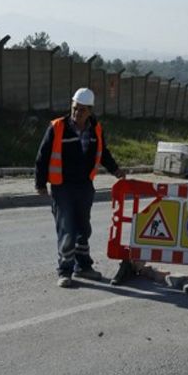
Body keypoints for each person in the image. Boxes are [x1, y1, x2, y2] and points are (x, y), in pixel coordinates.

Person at [35, 88, 125, 288]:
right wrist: (40, 183)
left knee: (83, 228)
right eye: (75, 108)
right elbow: (42, 156)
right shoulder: (57, 127)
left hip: (84, 185)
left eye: (82, 110)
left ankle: (83, 266)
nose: (77, 113)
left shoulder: (96, 129)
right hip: (62, 187)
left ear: (90, 111)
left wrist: (116, 170)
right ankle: (65, 270)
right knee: (66, 228)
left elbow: (103, 153)